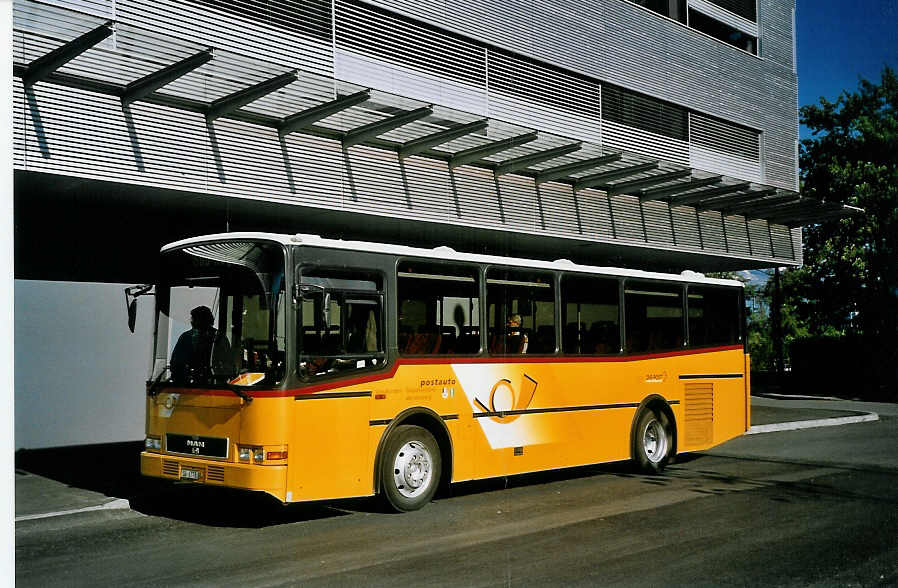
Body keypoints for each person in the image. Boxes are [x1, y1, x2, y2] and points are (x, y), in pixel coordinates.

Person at [171, 305, 232, 384]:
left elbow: (227, 367)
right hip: (194, 386)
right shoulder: (186, 337)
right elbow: (176, 365)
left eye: (194, 319)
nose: (192, 321)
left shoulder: (219, 338)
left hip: (212, 387)